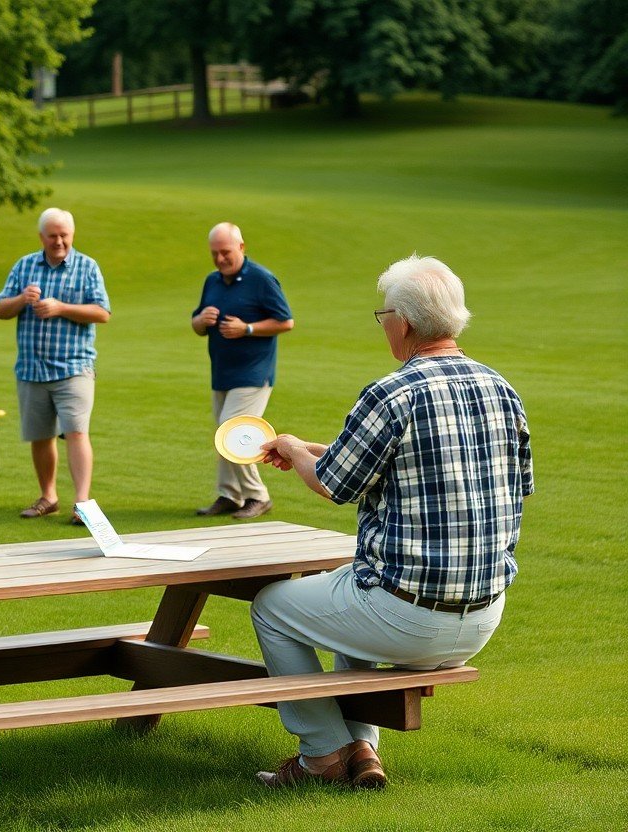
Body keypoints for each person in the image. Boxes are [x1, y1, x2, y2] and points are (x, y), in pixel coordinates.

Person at [249, 255, 533, 789]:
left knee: (272, 609)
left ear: (402, 323)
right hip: (482, 617)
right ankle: (361, 750)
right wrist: (315, 451)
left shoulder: (393, 392)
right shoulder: (502, 389)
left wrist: (290, 447)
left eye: (383, 317)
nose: (384, 328)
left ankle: (321, 755)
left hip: (409, 618)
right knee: (351, 587)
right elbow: (428, 465)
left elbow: (332, 484)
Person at [0, 208, 111, 524]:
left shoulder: (87, 267)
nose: (59, 241)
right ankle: (48, 497)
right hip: (32, 368)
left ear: (72, 235)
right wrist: (22, 300)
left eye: (64, 235)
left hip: (74, 367)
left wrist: (61, 308)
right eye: (52, 235)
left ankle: (83, 503)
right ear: (41, 237)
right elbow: (0, 309)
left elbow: (102, 312)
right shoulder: (24, 266)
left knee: (75, 431)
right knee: (40, 436)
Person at [191, 223, 294, 520]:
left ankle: (257, 495)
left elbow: (285, 321)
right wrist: (201, 320)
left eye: (226, 252)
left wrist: (247, 328)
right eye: (215, 253)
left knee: (231, 429)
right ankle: (229, 494)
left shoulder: (262, 279)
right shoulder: (212, 281)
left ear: (241, 247)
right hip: (222, 372)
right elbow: (196, 324)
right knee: (222, 432)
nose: (221, 259)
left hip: (254, 372)